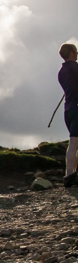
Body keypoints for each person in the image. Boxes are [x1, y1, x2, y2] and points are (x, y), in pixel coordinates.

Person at [58, 43, 78, 185]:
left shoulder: (61, 72)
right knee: (74, 143)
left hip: (68, 109)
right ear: (71, 53)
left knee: (75, 142)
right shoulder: (75, 68)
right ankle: (70, 175)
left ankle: (73, 174)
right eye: (76, 52)